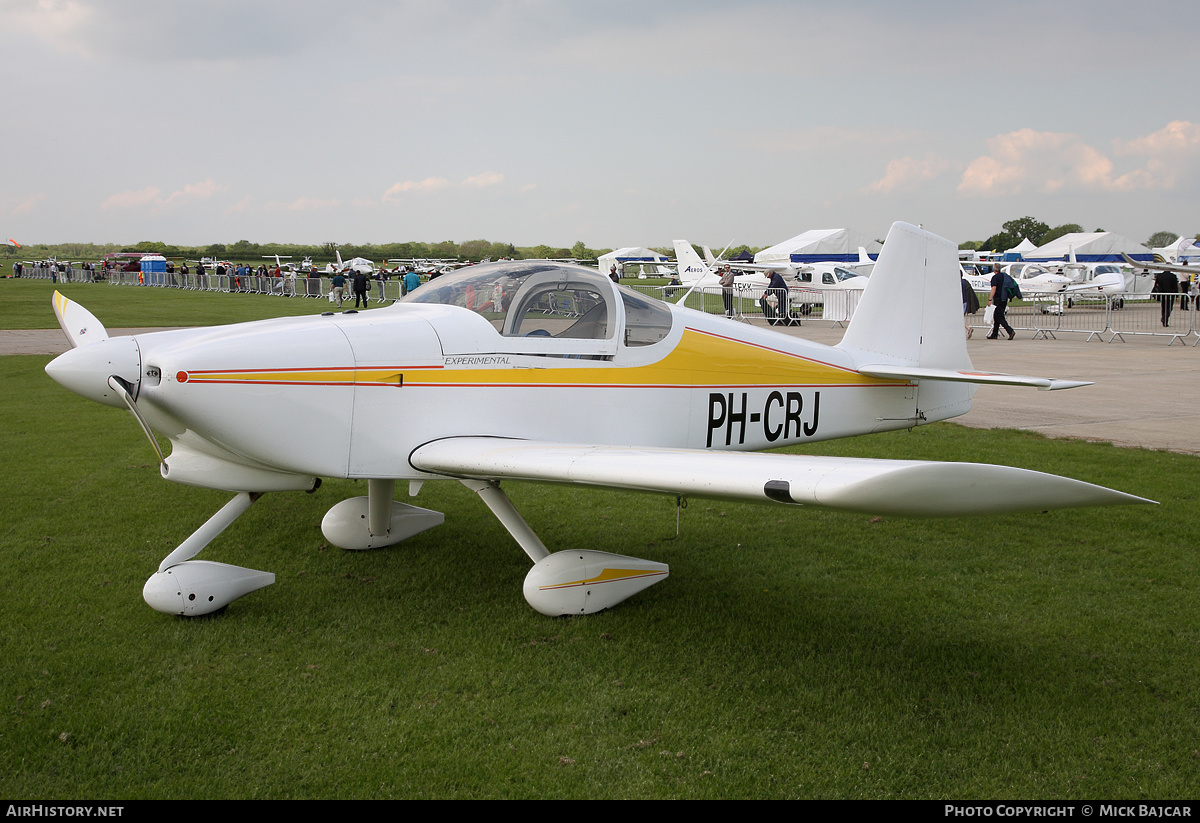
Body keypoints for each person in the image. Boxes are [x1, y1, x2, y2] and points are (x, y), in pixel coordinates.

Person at [986, 263, 1015, 340]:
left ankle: (1010, 331)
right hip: (1004, 299)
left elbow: (994, 288)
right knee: (996, 316)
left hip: (998, 299)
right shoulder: (1004, 276)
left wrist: (990, 299)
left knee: (999, 316)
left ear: (994, 269)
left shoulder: (995, 278)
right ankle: (994, 334)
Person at [961, 273, 979, 338]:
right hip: (965, 302)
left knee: (959, 318)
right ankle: (967, 329)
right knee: (961, 318)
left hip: (961, 302)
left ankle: (968, 328)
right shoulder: (965, 282)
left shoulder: (958, 282)